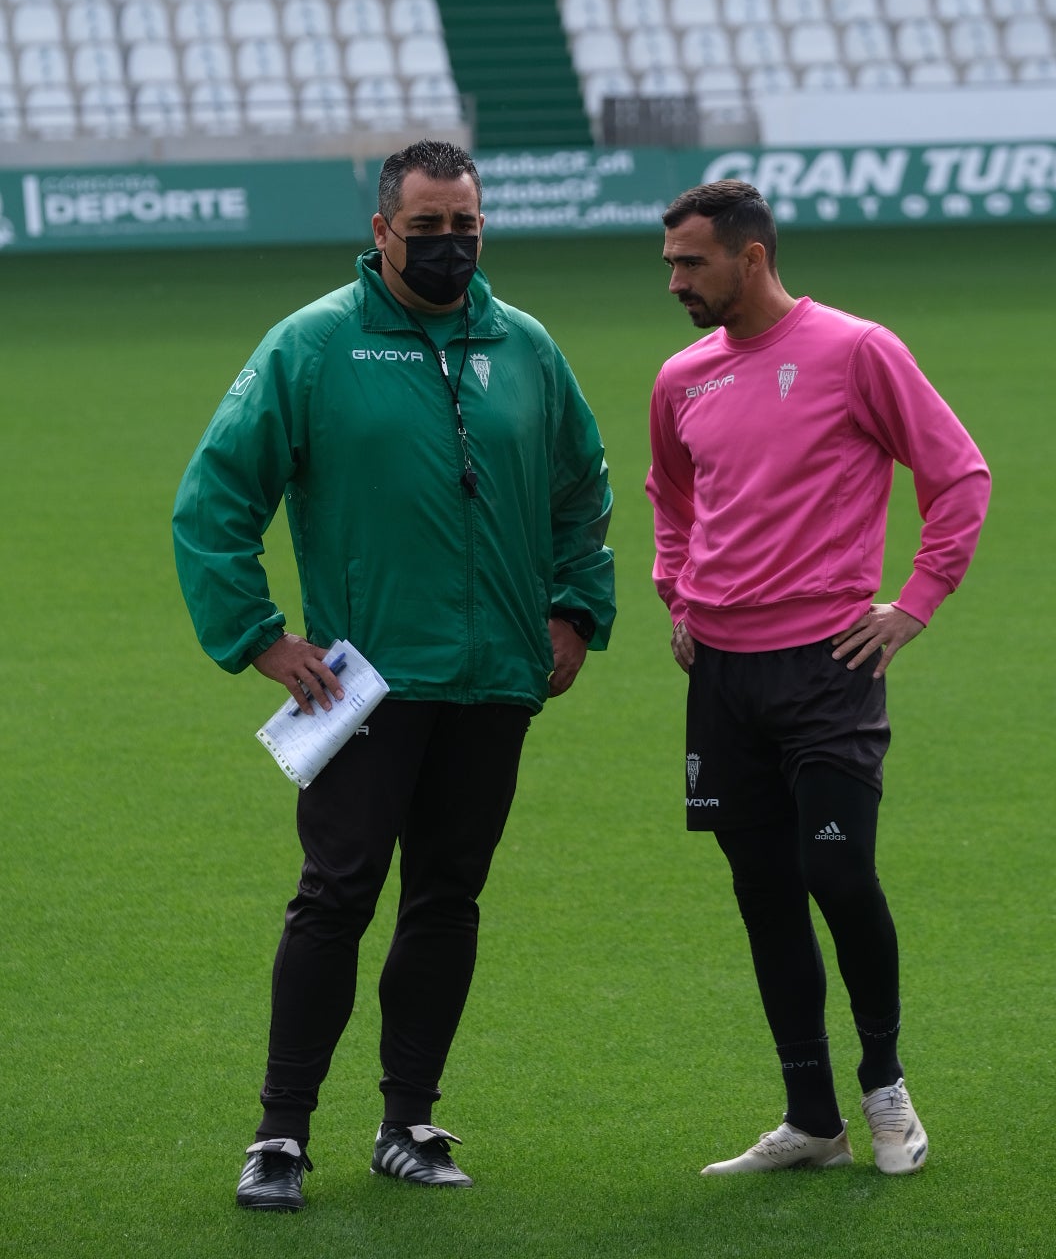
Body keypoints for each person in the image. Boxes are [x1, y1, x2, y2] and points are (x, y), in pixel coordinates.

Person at [174, 139, 614, 1212]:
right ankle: (279, 1136)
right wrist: (260, 637)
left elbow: (580, 492)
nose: (449, 245)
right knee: (334, 899)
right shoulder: (316, 344)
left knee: (447, 899)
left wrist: (572, 612)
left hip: (495, 683)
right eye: (426, 229)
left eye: (465, 225)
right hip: (365, 689)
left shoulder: (523, 347)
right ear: (380, 233)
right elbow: (215, 498)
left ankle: (407, 1121)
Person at [646, 180, 989, 1178]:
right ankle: (809, 1121)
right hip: (720, 675)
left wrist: (915, 601)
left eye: (690, 263)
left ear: (750, 258)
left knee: (835, 873)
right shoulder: (679, 378)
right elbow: (672, 497)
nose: (674, 282)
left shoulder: (855, 350)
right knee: (761, 892)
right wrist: (678, 594)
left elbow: (955, 473)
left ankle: (883, 1089)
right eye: (668, 264)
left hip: (826, 666)